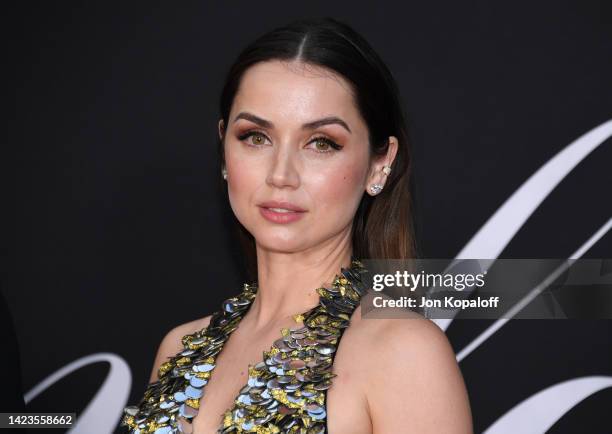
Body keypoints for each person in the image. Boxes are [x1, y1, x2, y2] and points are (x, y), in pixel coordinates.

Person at [122, 17, 473, 434]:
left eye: (321, 143)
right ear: (223, 152)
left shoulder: (402, 353)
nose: (281, 174)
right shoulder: (178, 349)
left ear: (380, 163)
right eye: (255, 137)